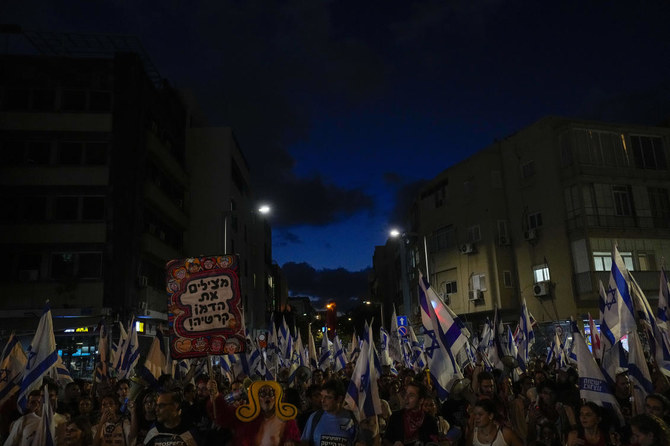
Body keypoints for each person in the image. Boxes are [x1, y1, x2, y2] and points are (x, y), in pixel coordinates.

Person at [233, 381, 301, 446]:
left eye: (271, 394)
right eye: (262, 394)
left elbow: (296, 440)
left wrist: (291, 442)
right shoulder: (250, 421)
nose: (267, 397)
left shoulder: (287, 422)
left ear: (276, 398)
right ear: (257, 398)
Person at [300, 379, 358, 445]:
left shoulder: (353, 418)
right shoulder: (315, 417)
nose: (322, 400)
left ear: (339, 399)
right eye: (322, 396)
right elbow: (305, 442)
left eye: (328, 397)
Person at [383, 381, 439, 445]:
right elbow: (386, 439)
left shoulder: (430, 421)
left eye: (411, 396)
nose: (406, 398)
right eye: (406, 394)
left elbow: (433, 442)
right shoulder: (396, 417)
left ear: (421, 400)